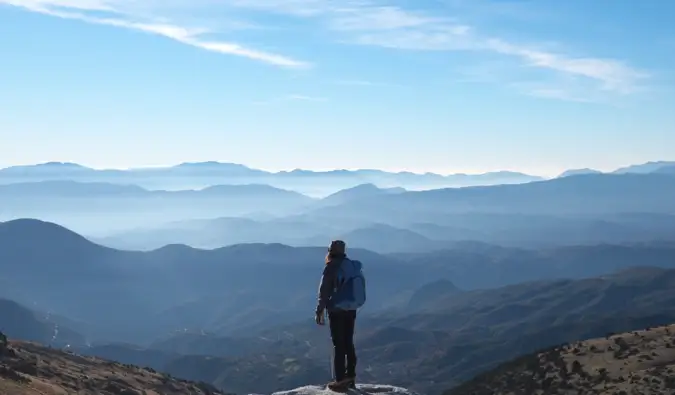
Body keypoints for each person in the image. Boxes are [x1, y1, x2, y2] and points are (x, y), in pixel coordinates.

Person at [315, 240, 362, 391]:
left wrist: (319, 310)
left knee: (339, 344)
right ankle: (351, 377)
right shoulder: (351, 266)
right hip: (351, 309)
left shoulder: (331, 267)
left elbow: (324, 291)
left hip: (336, 310)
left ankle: (340, 380)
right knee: (349, 342)